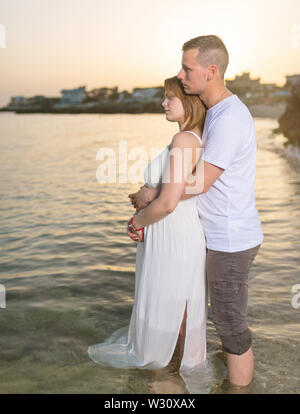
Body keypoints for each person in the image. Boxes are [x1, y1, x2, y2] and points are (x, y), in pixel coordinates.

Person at [129, 35, 263, 388]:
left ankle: (238, 390)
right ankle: (202, 373)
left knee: (231, 326)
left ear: (211, 71)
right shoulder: (215, 115)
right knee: (213, 317)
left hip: (229, 239)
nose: (181, 74)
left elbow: (200, 182)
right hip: (214, 234)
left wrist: (153, 195)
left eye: (187, 68)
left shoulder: (230, 117)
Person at [88, 76, 208, 375]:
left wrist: (136, 222)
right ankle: (176, 369)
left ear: (189, 101)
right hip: (172, 230)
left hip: (174, 233)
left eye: (170, 98)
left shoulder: (185, 140)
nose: (163, 103)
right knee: (176, 304)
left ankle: (171, 372)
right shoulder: (188, 138)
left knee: (174, 304)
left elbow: (168, 202)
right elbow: (173, 190)